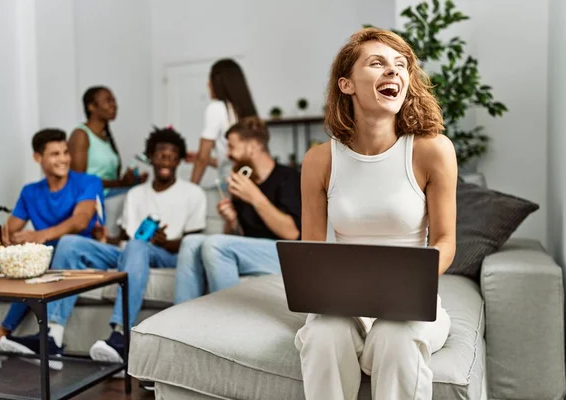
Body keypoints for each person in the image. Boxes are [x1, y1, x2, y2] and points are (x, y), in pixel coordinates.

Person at [295, 28, 457, 400]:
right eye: (377, 63)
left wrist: (412, 278)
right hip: (343, 303)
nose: (393, 72)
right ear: (347, 84)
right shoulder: (319, 160)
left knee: (396, 335)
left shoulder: (432, 150)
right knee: (322, 334)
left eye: (401, 66)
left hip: (411, 302)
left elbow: (446, 240)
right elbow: (310, 249)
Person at [0, 127, 207, 366]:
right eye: (161, 155)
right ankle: (52, 338)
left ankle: (120, 336)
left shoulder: (194, 193)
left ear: (180, 159)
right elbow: (126, 239)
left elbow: (193, 245)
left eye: (172, 157)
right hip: (133, 251)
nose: (166, 161)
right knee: (70, 244)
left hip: (170, 255)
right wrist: (104, 238)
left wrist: (165, 242)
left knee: (138, 246)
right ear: (150, 156)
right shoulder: (136, 194)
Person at [0, 129, 103, 374]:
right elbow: (7, 233)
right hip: (37, 255)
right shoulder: (31, 191)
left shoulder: (88, 182)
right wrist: (2, 245)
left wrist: (37, 236)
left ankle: (0, 334)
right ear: (37, 158)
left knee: (36, 267)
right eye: (55, 154)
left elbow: (80, 221)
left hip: (67, 257)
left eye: (65, 152)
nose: (63, 159)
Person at [174, 117, 301, 303]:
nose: (228, 153)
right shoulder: (243, 179)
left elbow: (291, 233)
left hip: (286, 255)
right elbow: (238, 237)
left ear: (253, 146)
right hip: (251, 252)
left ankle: (230, 321)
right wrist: (232, 220)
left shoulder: (289, 178)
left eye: (232, 146)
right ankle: (179, 323)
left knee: (215, 244)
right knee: (191, 242)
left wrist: (255, 197)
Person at [69, 86, 148, 197]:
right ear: (91, 107)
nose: (114, 105)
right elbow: (78, 180)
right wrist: (121, 184)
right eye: (108, 101)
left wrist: (133, 181)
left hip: (110, 197)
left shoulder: (106, 138)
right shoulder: (81, 135)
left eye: (114, 101)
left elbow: (110, 179)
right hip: (91, 200)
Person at [189, 59, 258, 185]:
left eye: (210, 78)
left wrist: (190, 190)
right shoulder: (245, 109)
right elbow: (229, 161)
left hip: (232, 182)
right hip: (251, 180)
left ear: (218, 82)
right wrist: (201, 158)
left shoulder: (216, 108)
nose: (208, 84)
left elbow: (202, 158)